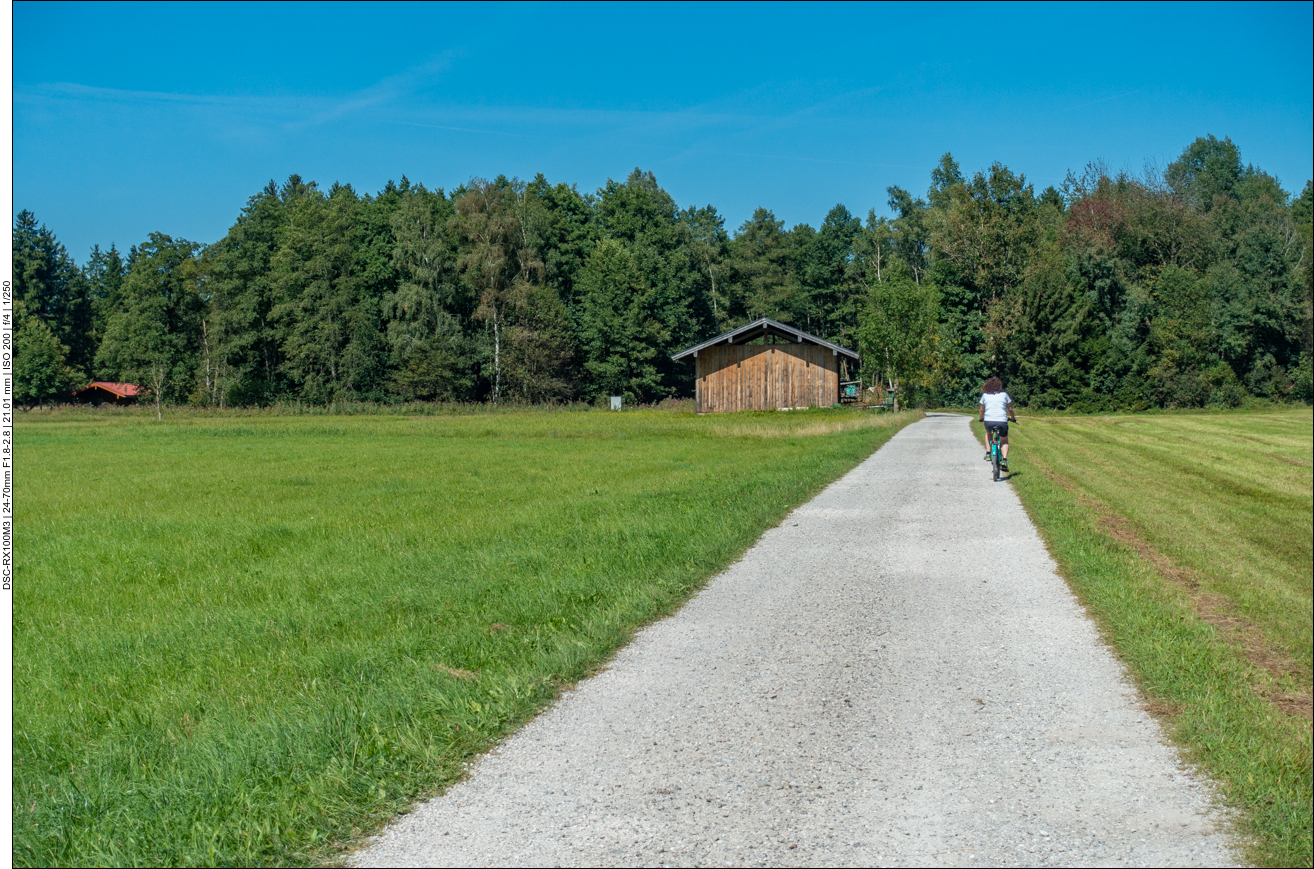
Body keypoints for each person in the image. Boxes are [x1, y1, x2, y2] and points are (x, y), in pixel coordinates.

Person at [979, 376, 1017, 471]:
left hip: (988, 421)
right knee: (1004, 440)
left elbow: (981, 410)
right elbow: (1010, 409)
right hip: (1002, 421)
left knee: (988, 434)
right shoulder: (1004, 395)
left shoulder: (985, 395)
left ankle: (988, 453)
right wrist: (1013, 418)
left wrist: (981, 418)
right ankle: (1004, 460)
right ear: (999, 386)